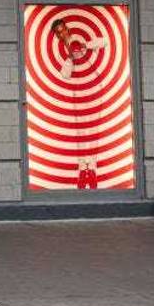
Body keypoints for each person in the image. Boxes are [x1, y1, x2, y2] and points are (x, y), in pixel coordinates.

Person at [51, 18, 109, 189]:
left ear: (67, 28)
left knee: (94, 128)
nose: (62, 33)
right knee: (81, 130)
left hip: (94, 86)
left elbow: (104, 41)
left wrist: (86, 45)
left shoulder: (80, 38)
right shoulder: (61, 51)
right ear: (57, 36)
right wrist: (69, 58)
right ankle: (83, 168)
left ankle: (92, 167)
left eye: (63, 29)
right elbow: (65, 75)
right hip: (79, 90)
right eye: (58, 32)